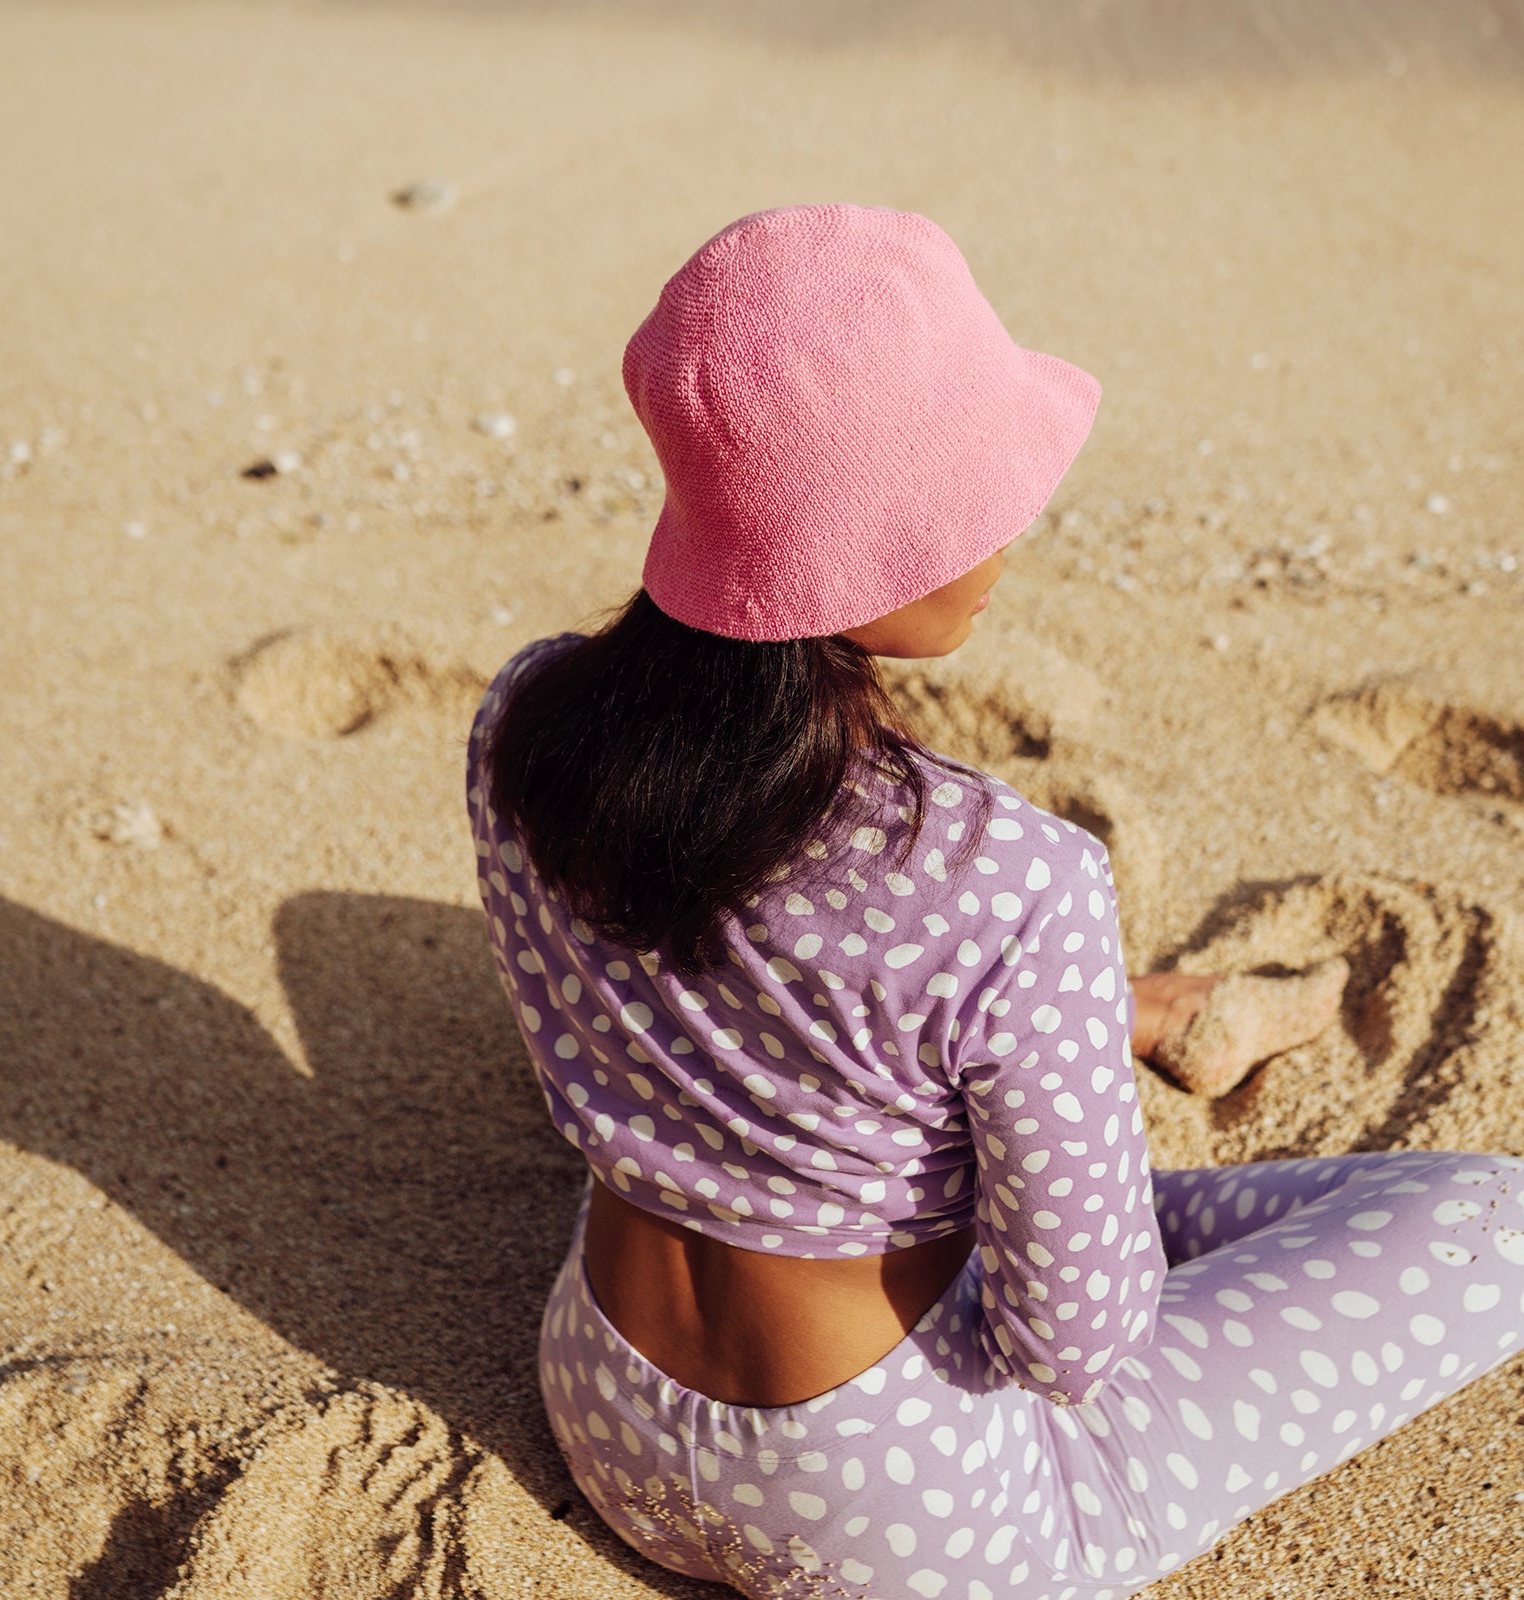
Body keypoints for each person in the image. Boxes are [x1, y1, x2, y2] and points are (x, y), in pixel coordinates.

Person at [465, 205, 1524, 1600]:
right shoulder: (1006, 878)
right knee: (1491, 1223)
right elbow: (1072, 1347)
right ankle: (1085, 1058)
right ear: (878, 542)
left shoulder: (530, 719)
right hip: (886, 1509)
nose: (1014, 528)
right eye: (978, 494)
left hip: (603, 1398)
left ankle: (1094, 1042)